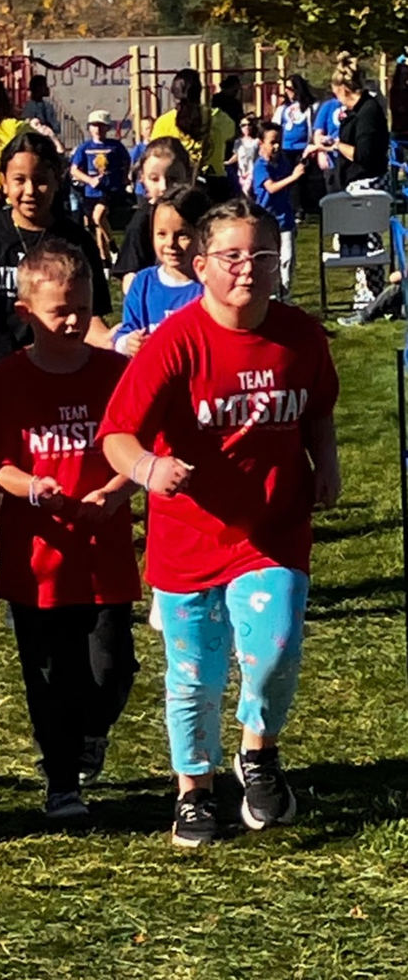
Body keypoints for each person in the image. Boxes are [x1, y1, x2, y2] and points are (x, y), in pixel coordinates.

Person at [98, 198, 340, 847]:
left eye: (262, 255)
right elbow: (115, 435)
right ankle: (194, 793)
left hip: (273, 530)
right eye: (232, 257)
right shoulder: (176, 344)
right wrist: (148, 469)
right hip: (189, 539)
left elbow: (318, 405)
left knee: (275, 648)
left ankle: (258, 753)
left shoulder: (301, 336)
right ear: (202, 265)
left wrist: (327, 461)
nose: (248, 269)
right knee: (195, 674)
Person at [0, 239, 141, 819]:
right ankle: (62, 782)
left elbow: (142, 451)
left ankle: (91, 732)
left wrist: (117, 489)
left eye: (81, 305)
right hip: (38, 558)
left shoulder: (116, 373)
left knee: (110, 665)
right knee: (50, 674)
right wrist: (31, 486)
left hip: (104, 550)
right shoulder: (8, 381)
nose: (73, 319)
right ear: (26, 315)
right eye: (58, 310)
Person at [0, 132, 114, 389]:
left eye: (41, 180)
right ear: (4, 182)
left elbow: (93, 318)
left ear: (57, 180)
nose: (30, 190)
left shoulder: (76, 241)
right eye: (19, 180)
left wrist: (117, 341)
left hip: (63, 378)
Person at [311, 52, 390, 310]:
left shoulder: (368, 112)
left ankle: (372, 297)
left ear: (345, 89)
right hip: (354, 180)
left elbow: (364, 155)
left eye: (337, 95)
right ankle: (368, 295)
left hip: (367, 184)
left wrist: (335, 144)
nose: (337, 101)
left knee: (369, 244)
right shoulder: (359, 111)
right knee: (361, 245)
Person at [113, 184, 209, 357]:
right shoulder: (143, 283)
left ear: (203, 235)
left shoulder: (212, 285)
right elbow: (123, 334)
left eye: (183, 235)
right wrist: (129, 343)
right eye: (162, 234)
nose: (171, 243)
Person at [113, 136, 191, 295]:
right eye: (154, 179)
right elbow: (130, 275)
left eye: (173, 178)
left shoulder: (200, 214)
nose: (164, 186)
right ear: (142, 179)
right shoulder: (142, 221)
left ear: (188, 174)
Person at [151, 69, 235, 201]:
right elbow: (231, 134)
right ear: (200, 92)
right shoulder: (218, 117)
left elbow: (155, 154)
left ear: (173, 93)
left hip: (178, 188)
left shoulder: (163, 123)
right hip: (215, 186)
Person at [70, 110, 131, 265]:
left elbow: (127, 161)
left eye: (101, 126)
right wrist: (89, 180)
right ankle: (105, 261)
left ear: (107, 128)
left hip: (109, 190)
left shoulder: (115, 146)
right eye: (94, 126)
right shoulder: (84, 148)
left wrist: (124, 178)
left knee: (99, 216)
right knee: (97, 226)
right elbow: (74, 170)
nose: (98, 130)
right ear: (89, 128)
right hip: (91, 192)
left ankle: (113, 246)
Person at [252, 122, 305, 300]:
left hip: (285, 220)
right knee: (268, 260)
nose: (276, 146)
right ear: (261, 143)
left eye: (279, 141)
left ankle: (286, 295)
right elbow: (271, 188)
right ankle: (271, 295)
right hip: (266, 221)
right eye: (272, 142)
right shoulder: (260, 167)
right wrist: (293, 177)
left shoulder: (282, 162)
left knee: (287, 258)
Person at [272, 74, 317, 220]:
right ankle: (290, 207)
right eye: (286, 89)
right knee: (287, 177)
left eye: (290, 88)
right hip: (286, 148)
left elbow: (314, 127)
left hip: (302, 148)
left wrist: (312, 145)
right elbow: (276, 125)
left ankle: (300, 208)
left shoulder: (310, 107)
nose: (287, 91)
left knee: (300, 178)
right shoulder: (283, 108)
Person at [226, 114, 259, 196]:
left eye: (249, 125)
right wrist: (228, 162)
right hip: (241, 173)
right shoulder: (238, 142)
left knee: (247, 192)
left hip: (252, 173)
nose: (246, 127)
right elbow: (237, 155)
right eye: (243, 125)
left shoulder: (256, 142)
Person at [129, 116, 154, 203]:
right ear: (142, 132)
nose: (150, 131)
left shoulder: (159, 147)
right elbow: (130, 167)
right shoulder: (138, 149)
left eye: (152, 128)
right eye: (147, 129)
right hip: (142, 190)